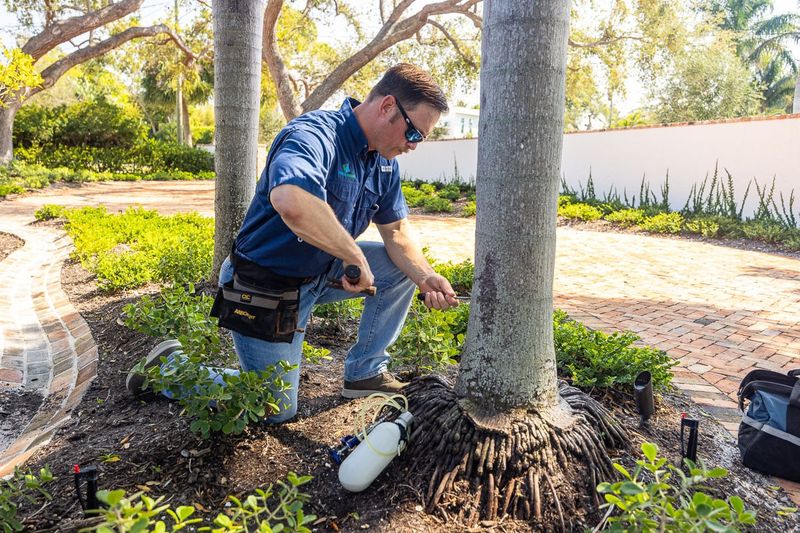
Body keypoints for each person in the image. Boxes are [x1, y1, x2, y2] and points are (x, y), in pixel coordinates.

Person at [128, 63, 460, 423]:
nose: (413, 146)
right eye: (415, 134)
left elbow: (395, 231)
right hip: (267, 285)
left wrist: (425, 275)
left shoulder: (383, 162)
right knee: (274, 408)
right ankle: (169, 369)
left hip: (323, 272)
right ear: (387, 107)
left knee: (400, 271)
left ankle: (364, 373)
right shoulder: (314, 135)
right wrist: (351, 253)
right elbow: (290, 200)